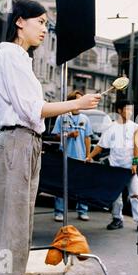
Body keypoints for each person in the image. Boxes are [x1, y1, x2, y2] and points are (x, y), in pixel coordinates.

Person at [0, 0, 101, 275]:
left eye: (47, 24)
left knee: (17, 226)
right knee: (8, 227)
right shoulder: (10, 57)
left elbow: (34, 109)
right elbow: (32, 110)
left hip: (25, 143)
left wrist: (75, 105)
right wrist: (75, 104)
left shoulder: (20, 59)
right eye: (41, 22)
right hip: (14, 143)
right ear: (20, 21)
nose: (45, 29)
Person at [87, 99, 138, 230]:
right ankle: (117, 219)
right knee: (116, 196)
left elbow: (137, 148)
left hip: (130, 168)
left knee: (135, 194)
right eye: (127, 109)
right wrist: (89, 156)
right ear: (119, 111)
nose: (130, 112)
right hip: (115, 167)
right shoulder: (111, 127)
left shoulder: (135, 127)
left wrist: (135, 164)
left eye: (131, 110)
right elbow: (101, 145)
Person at [51, 90, 93, 222]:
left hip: (80, 157)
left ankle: (82, 210)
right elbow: (56, 135)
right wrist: (68, 135)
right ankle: (59, 211)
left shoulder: (85, 119)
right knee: (62, 185)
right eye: (77, 99)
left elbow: (87, 138)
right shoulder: (62, 117)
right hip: (65, 157)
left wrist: (88, 155)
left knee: (82, 185)